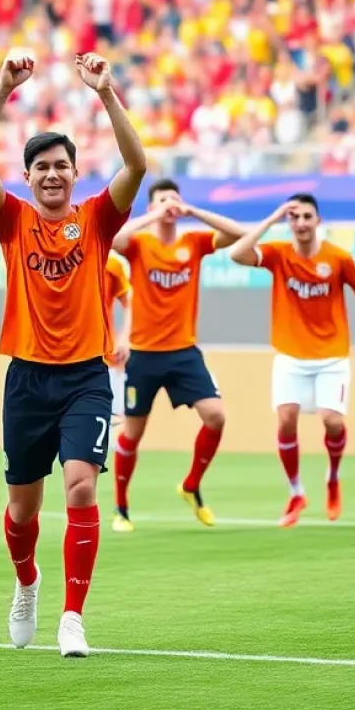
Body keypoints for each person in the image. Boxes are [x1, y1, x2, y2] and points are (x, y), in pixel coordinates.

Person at [0, 48, 146, 658]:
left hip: (87, 378)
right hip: (26, 380)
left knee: (81, 489)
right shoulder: (12, 220)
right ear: (29, 176)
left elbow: (138, 163)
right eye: (40, 166)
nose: (51, 175)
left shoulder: (96, 220)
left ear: (74, 173)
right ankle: (27, 583)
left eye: (61, 166)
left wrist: (107, 94)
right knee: (22, 509)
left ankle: (73, 617)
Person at [109, 179, 247, 532]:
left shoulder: (194, 242)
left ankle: (191, 485)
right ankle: (121, 509)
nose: (168, 204)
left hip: (184, 352)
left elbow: (240, 233)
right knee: (133, 434)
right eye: (160, 200)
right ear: (150, 207)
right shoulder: (139, 244)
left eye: (173, 199)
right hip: (143, 354)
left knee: (216, 415)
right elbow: (110, 238)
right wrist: (151, 216)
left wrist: (194, 212)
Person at [228, 194, 355, 528]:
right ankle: (296, 492)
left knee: (332, 420)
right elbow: (237, 253)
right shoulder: (279, 254)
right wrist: (272, 216)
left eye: (308, 216)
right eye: (295, 217)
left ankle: (333, 478)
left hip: (331, 353)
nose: (301, 223)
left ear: (318, 221)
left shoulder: (338, 258)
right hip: (290, 353)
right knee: (286, 418)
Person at [103, 251, 132, 435]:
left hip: (104, 358)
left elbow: (130, 300)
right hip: (59, 359)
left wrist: (125, 336)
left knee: (116, 423)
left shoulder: (111, 264)